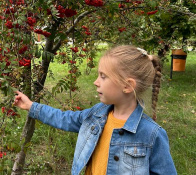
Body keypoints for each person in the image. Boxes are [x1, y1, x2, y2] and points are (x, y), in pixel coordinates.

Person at [13, 45, 177, 175]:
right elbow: (65, 118)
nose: (96, 82)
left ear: (127, 86)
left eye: (103, 76)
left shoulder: (151, 134)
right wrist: (31, 106)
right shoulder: (96, 115)